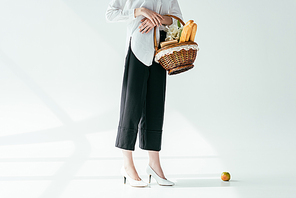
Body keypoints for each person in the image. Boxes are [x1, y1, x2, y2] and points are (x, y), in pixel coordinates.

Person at [106, 0, 183, 187]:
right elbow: (110, 14)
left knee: (155, 108)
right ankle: (127, 165)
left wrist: (159, 19)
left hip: (161, 53)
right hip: (137, 49)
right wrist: (140, 11)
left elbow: (179, 22)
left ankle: (154, 165)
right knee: (131, 107)